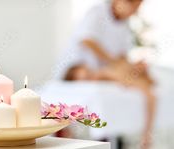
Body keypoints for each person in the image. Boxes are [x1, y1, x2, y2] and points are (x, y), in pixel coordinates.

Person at [59, 0, 156, 148]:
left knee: (144, 85)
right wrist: (112, 63)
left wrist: (132, 66)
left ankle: (145, 138)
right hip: (76, 69)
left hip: (104, 72)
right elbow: (87, 40)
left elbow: (122, 56)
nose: (135, 12)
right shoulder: (97, 12)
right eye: (134, 6)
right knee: (105, 74)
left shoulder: (125, 25)